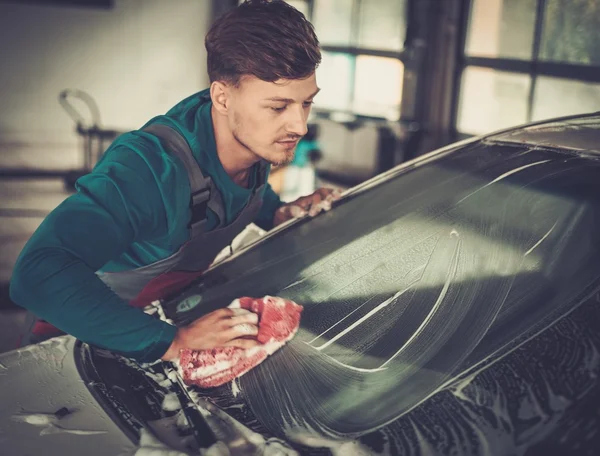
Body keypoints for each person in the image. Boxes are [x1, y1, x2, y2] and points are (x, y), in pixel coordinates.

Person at [9, 0, 337, 363]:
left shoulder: (249, 139)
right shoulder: (147, 169)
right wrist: (174, 342)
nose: (299, 126)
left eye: (306, 103)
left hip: (156, 322)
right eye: (278, 107)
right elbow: (37, 272)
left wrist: (278, 213)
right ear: (222, 97)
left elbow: (245, 193)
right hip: (68, 345)